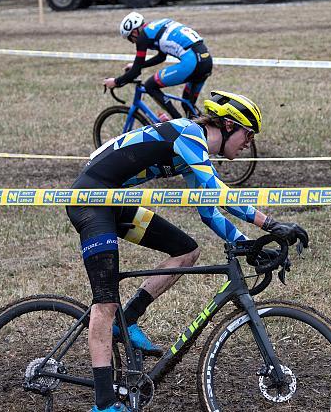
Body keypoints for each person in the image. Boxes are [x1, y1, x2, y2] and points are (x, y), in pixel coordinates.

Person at [66, 91, 309, 412]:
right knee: (105, 300)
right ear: (225, 126)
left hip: (114, 205)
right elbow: (216, 190)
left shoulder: (191, 151)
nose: (249, 143)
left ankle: (129, 317)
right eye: (247, 134)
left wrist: (244, 244)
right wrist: (270, 223)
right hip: (91, 203)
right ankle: (104, 403)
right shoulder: (188, 135)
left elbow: (209, 210)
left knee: (186, 251)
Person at [102, 11, 213, 120]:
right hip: (206, 60)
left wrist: (116, 82)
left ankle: (178, 123)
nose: (133, 42)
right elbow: (161, 56)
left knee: (150, 85)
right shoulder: (157, 27)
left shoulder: (142, 37)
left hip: (192, 62)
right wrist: (139, 65)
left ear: (134, 32)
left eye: (130, 39)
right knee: (188, 106)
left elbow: (135, 73)